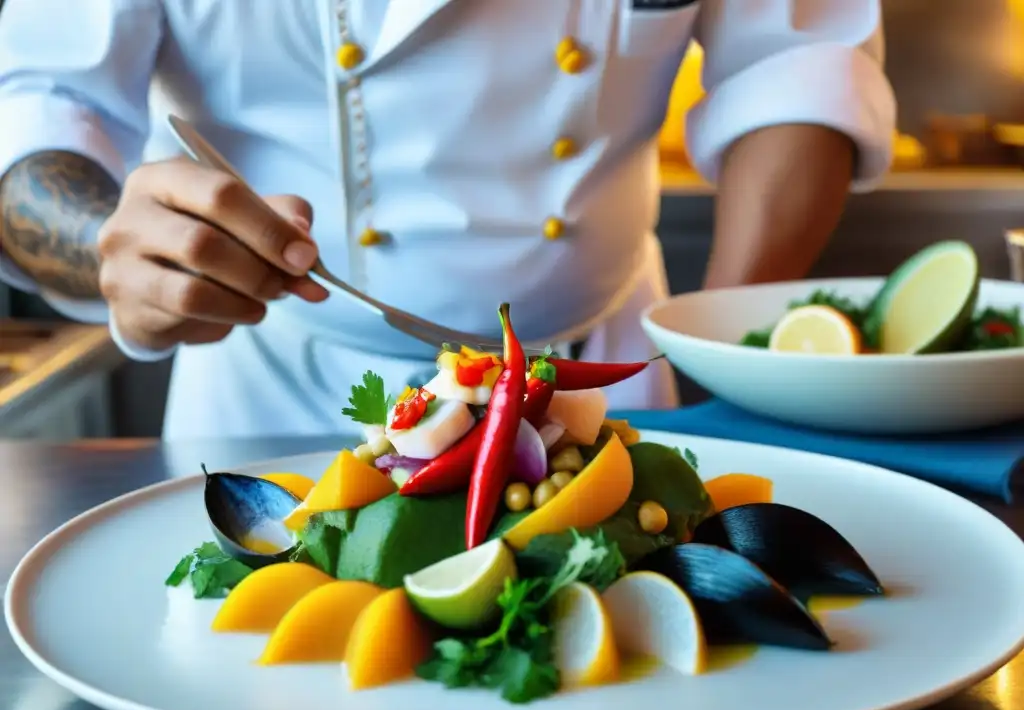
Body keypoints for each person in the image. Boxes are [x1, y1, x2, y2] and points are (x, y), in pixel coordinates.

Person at [0, 1, 896, 439]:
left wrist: (727, 372)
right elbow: (35, 105)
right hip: (280, 397)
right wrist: (112, 251)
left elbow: (798, 60)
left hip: (602, 382)